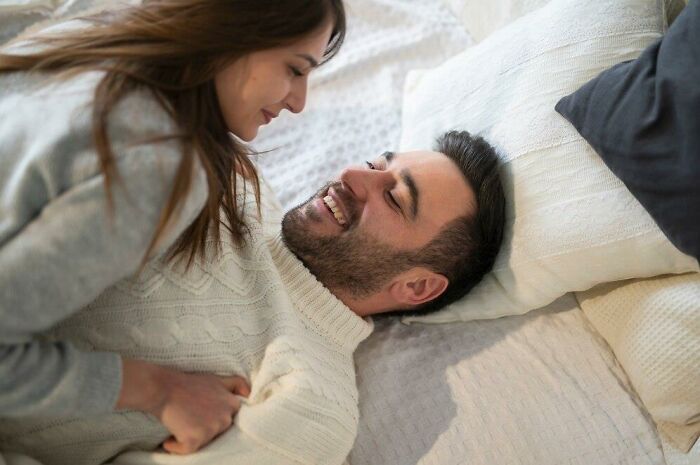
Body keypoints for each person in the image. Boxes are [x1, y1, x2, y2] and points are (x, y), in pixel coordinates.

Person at [0, 130, 506, 465]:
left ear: (416, 287)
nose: (353, 175)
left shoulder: (311, 406)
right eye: (378, 162)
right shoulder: (240, 177)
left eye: (395, 197)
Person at [0, 0, 347, 455]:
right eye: (295, 69)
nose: (299, 102)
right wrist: (159, 390)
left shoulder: (86, 25)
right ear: (232, 31)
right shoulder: (159, 168)